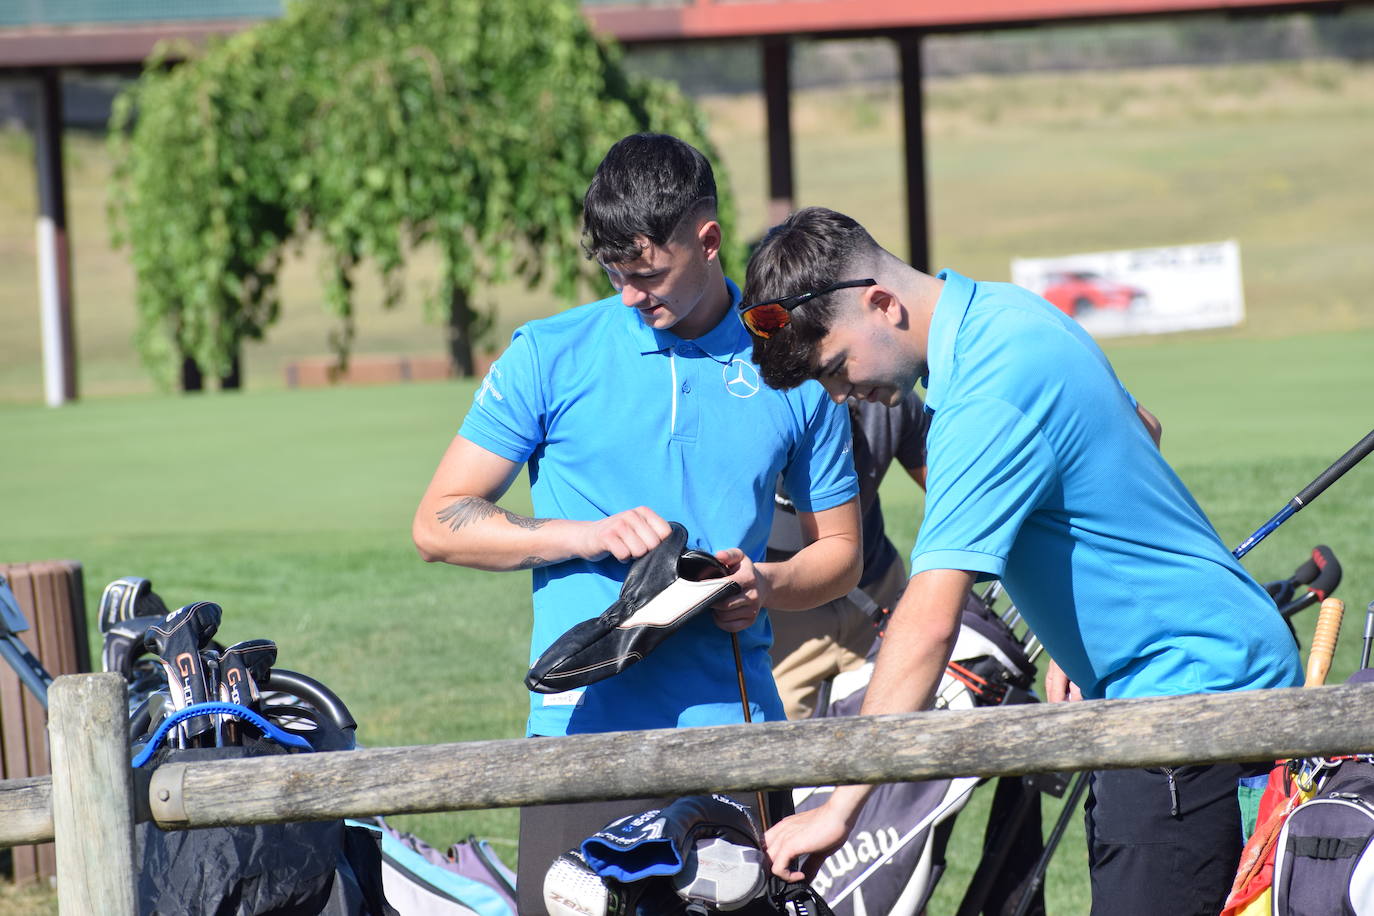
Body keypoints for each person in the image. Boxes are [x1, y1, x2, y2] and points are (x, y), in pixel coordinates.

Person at [741, 206, 1302, 916]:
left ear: (882, 304)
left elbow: (928, 621)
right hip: (1181, 687)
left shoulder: (985, 396)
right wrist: (1076, 618)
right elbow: (1140, 429)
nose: (841, 395)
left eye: (836, 368)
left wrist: (839, 807)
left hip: (1183, 705)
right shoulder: (1008, 315)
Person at [411, 138, 862, 914]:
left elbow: (843, 554)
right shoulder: (548, 354)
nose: (628, 295)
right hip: (578, 741)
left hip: (736, 739)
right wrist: (579, 534)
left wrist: (769, 583)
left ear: (709, 241)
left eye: (647, 272)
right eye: (614, 273)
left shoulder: (787, 361)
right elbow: (439, 523)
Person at [766, 394, 927, 721]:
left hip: (877, 589)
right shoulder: (752, 403)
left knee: (899, 738)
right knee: (778, 747)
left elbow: (960, 496)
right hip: (778, 607)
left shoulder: (884, 396)